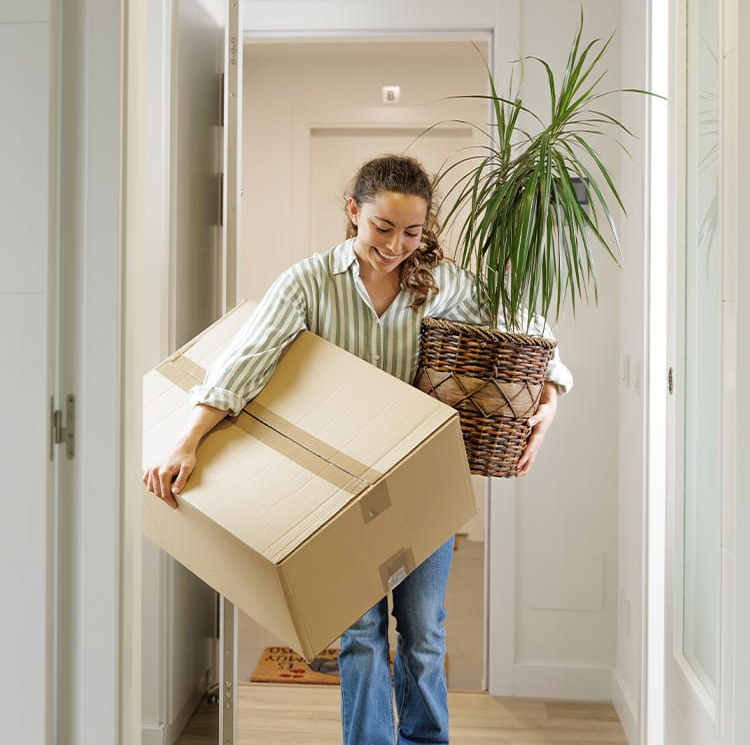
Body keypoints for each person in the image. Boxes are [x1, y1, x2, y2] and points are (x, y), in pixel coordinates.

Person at [143, 154, 573, 745]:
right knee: (360, 635)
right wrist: (188, 438)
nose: (397, 245)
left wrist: (551, 395)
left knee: (424, 632)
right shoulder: (308, 282)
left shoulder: (443, 281)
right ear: (353, 212)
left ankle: (424, 740)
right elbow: (246, 359)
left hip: (424, 486)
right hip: (341, 495)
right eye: (383, 227)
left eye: (413, 231)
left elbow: (527, 330)